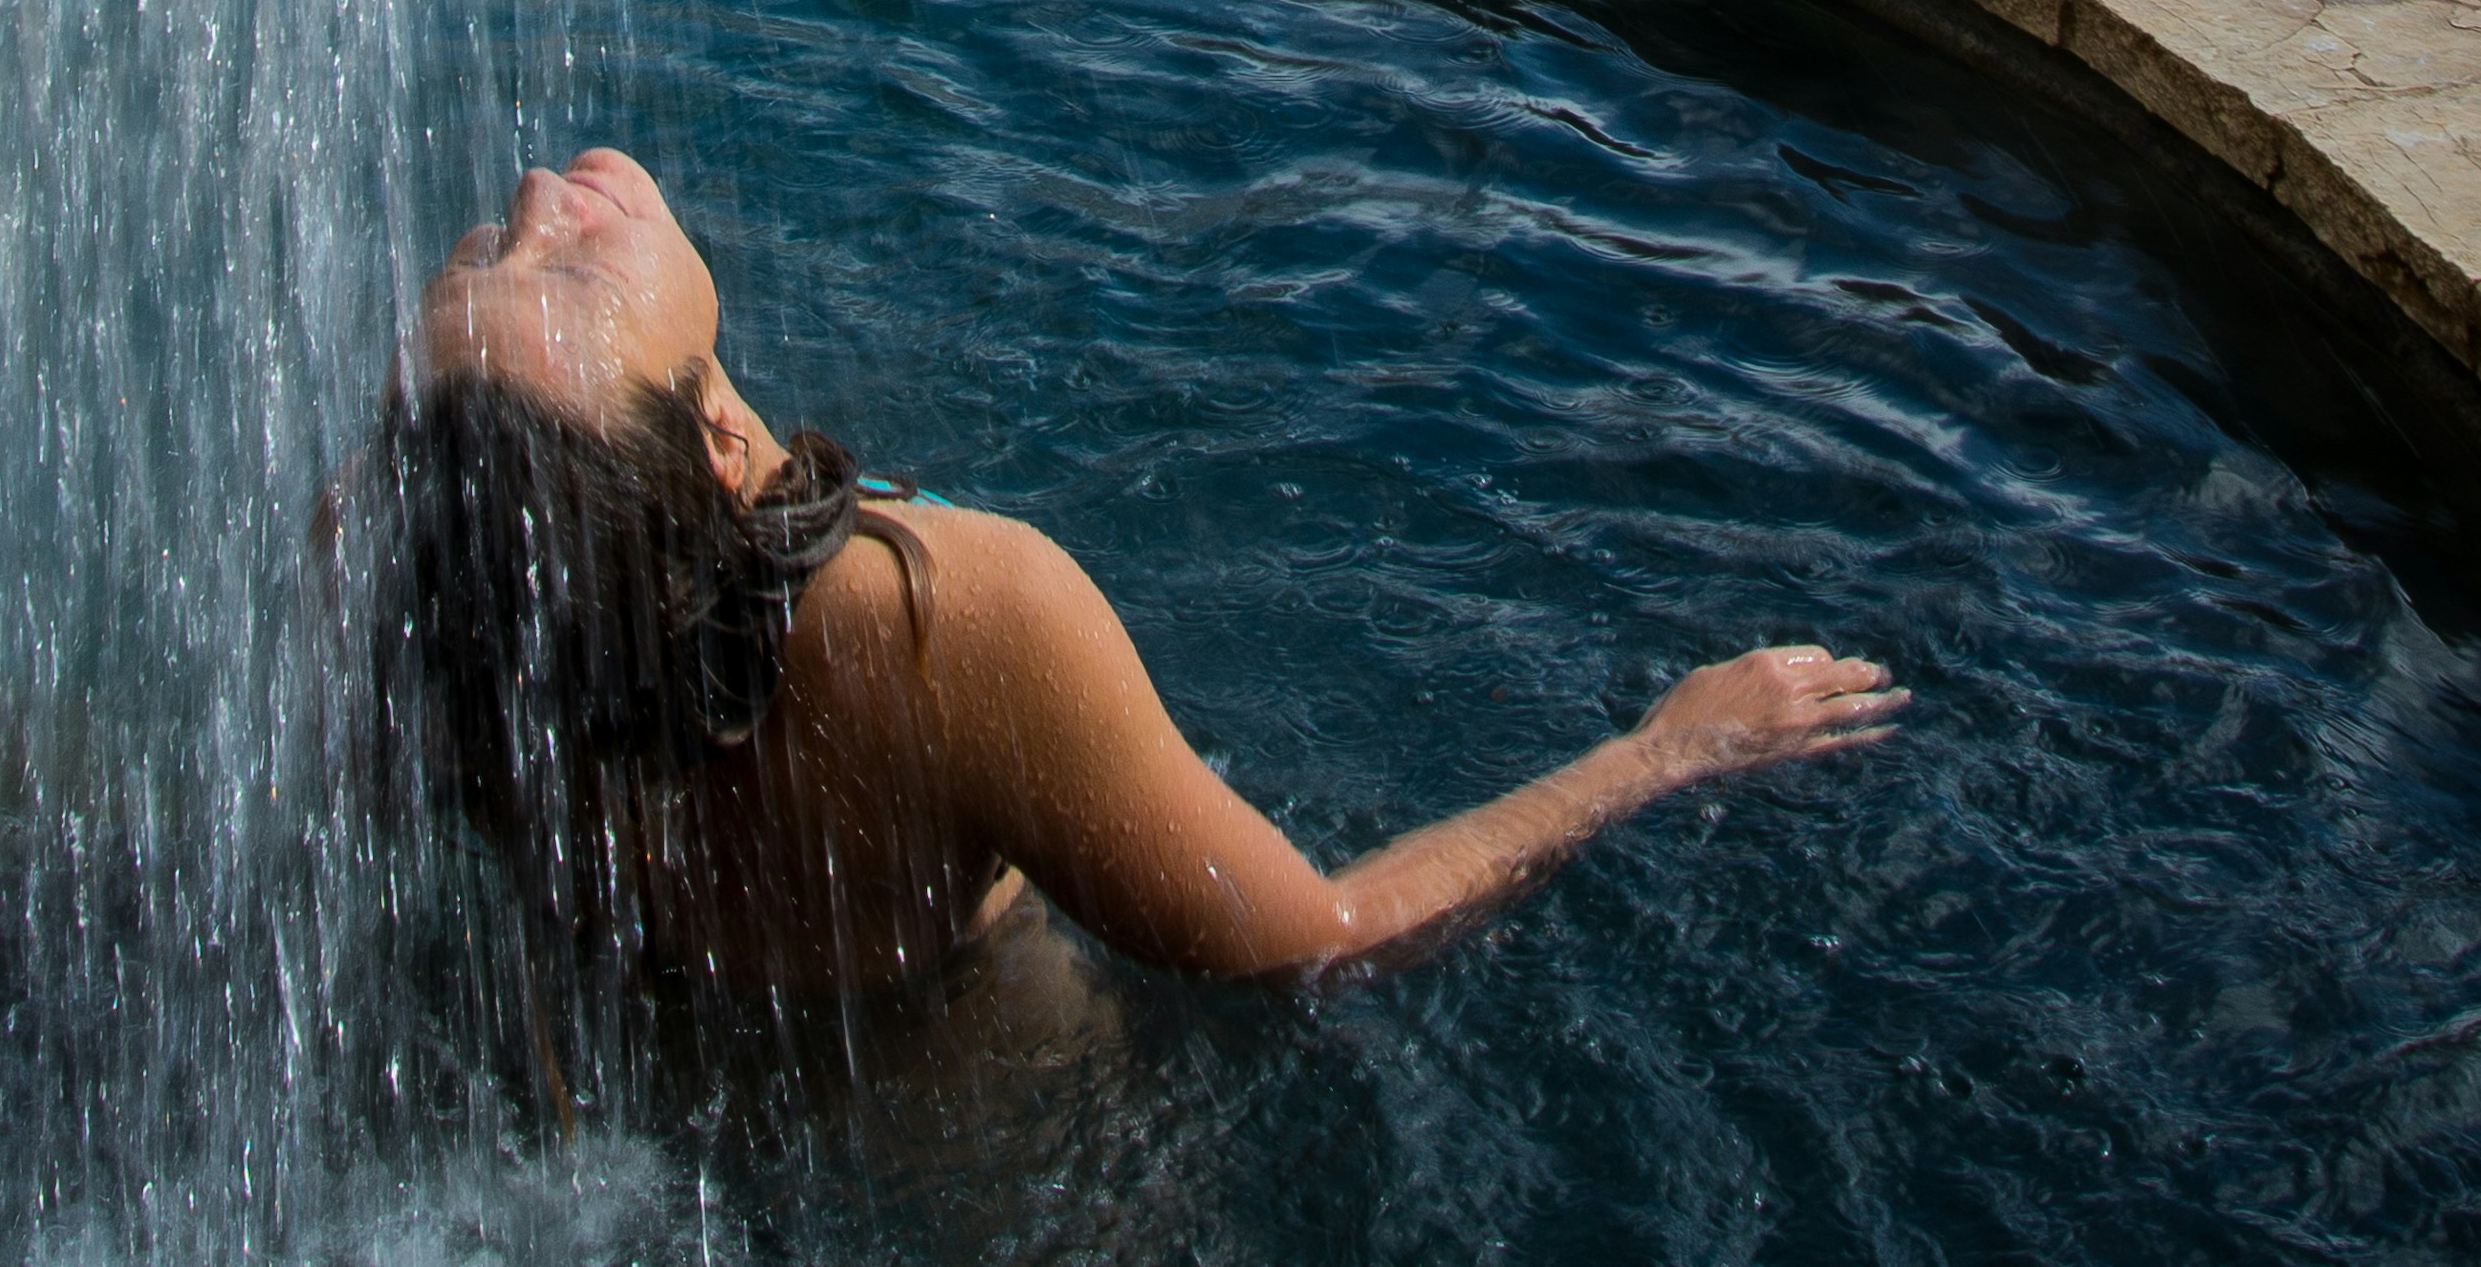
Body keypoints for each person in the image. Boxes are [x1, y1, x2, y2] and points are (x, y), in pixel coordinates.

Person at [353, 148, 1903, 1001]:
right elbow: (1321, 936)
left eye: (493, 244)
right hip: (978, 1125)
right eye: (549, 268)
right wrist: (1662, 749)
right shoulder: (941, 621)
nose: (538, 199)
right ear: (707, 440)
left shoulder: (430, 607)